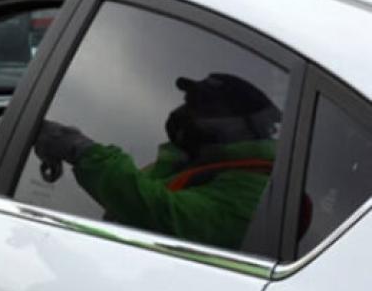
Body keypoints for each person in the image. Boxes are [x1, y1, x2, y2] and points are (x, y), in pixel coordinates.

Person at [33, 73, 280, 250]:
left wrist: (80, 150)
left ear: (247, 127)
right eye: (189, 103)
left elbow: (160, 212)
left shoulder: (258, 188)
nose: (184, 113)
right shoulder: (188, 162)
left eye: (205, 108)